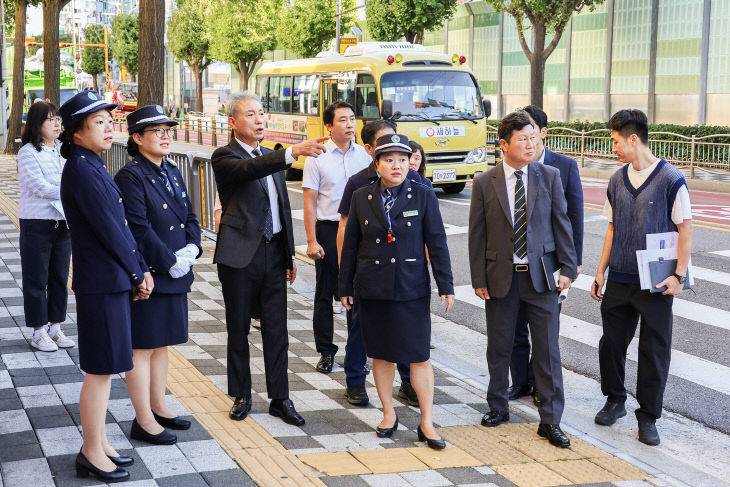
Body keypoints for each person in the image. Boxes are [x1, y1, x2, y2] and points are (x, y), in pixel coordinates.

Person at [211, 91, 327, 424]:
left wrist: (289, 255)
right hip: (239, 256)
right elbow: (249, 170)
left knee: (277, 330)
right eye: (251, 114)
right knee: (238, 328)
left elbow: (282, 210)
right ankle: (241, 394)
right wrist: (291, 152)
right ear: (233, 121)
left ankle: (281, 398)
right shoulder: (225, 156)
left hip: (273, 253)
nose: (260, 120)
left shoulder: (273, 158)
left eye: (262, 113)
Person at [468, 110, 577, 448]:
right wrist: (478, 278)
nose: (531, 144)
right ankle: (498, 407)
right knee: (499, 347)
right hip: (501, 277)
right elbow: (477, 234)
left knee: (547, 351)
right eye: (523, 139)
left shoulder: (550, 176)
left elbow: (562, 223)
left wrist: (569, 269)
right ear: (504, 144)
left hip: (541, 277)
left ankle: (550, 420)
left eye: (534, 137)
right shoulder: (485, 182)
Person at [59, 91, 153, 482]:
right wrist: (138, 273)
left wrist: (139, 268)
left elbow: (120, 230)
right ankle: (91, 450)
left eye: (110, 120)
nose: (109, 126)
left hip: (108, 281)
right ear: (77, 134)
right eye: (99, 122)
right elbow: (111, 230)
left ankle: (97, 442)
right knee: (99, 370)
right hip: (102, 283)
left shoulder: (91, 165)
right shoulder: (82, 170)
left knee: (108, 368)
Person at [339, 133, 454, 449]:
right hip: (373, 287)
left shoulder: (422, 194)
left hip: (411, 286)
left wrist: (446, 285)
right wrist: (344, 285)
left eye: (403, 160)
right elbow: (351, 246)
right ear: (376, 164)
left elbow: (437, 240)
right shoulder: (362, 196)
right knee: (381, 353)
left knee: (418, 356)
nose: (397, 165)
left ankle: (427, 421)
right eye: (389, 159)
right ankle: (389, 413)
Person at [590, 109, 693, 446]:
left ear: (633, 139)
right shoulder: (616, 179)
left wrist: (678, 275)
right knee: (611, 344)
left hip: (657, 282)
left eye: (616, 141)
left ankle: (648, 417)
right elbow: (611, 226)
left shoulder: (671, 179)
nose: (614, 148)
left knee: (654, 350)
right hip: (620, 277)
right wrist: (601, 270)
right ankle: (615, 400)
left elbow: (686, 229)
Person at [114, 105, 202, 446]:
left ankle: (159, 406)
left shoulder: (172, 169)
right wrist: (168, 262)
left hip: (175, 270)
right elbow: (138, 227)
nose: (166, 136)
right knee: (143, 347)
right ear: (137, 138)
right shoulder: (131, 175)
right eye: (157, 131)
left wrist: (193, 248)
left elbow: (190, 214)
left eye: (169, 130)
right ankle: (143, 419)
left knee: (162, 343)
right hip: (152, 273)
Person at [336, 120, 424, 407]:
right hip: (370, 275)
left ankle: (408, 382)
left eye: (401, 154)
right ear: (373, 152)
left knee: (403, 329)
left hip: (404, 275)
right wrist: (345, 278)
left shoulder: (417, 183)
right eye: (387, 150)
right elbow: (346, 233)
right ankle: (355, 382)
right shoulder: (359, 183)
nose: (395, 158)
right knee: (361, 330)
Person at [508, 105, 584, 403]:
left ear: (542, 133)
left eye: (531, 132)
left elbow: (574, 217)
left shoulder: (564, 167)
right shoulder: (510, 168)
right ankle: (520, 382)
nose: (527, 140)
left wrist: (572, 263)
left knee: (545, 330)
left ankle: (541, 383)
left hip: (550, 263)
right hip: (517, 263)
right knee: (515, 328)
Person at [302, 101, 371, 374]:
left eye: (352, 119)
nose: (350, 124)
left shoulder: (365, 156)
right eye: (342, 120)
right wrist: (311, 240)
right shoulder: (317, 157)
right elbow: (310, 202)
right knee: (324, 293)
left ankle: (357, 354)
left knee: (356, 291)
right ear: (329, 126)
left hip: (359, 232)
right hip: (328, 230)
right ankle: (326, 352)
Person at [17, 101, 74, 352]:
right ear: (37, 124)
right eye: (50, 119)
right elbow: (38, 187)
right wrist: (70, 191)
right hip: (36, 222)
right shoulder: (27, 152)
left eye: (58, 119)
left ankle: (55, 327)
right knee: (36, 279)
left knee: (60, 278)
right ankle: (38, 330)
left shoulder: (63, 150)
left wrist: (68, 191)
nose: (56, 124)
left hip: (63, 222)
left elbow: (72, 179)